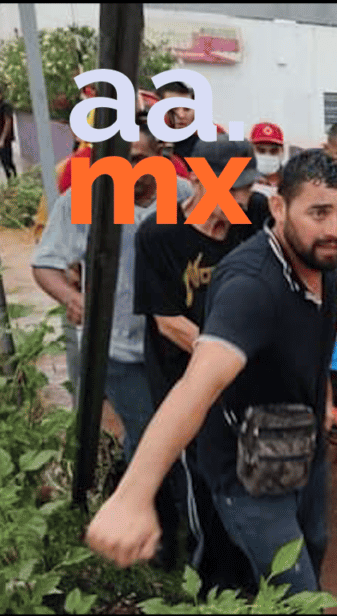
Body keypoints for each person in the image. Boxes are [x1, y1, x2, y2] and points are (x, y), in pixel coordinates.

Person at [85, 149, 337, 595]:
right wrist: (132, 496)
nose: (334, 229)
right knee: (290, 588)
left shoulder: (320, 258)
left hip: (302, 438)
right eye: (319, 212)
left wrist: (322, 395)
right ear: (280, 208)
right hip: (246, 459)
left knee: (315, 544)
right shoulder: (250, 283)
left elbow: (314, 340)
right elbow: (198, 382)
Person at [32, 113, 193, 465]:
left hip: (170, 343)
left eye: (137, 160)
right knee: (149, 432)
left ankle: (136, 493)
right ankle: (138, 506)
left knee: (177, 431)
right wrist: (71, 297)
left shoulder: (180, 194)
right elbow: (44, 263)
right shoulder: (85, 199)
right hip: (118, 347)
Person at [133, 136, 258, 580]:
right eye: (228, 190)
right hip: (185, 376)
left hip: (242, 374)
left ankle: (250, 566)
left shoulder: (255, 215)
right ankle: (209, 580)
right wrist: (229, 355)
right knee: (202, 476)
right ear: (194, 183)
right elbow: (168, 321)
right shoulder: (159, 233)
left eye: (244, 188)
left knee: (248, 467)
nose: (240, 199)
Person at [250, 121, 285, 194]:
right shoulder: (240, 181)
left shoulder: (291, 181)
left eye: (273, 151)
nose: (267, 156)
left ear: (282, 151)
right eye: (261, 151)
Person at [0, 83, 16, 180]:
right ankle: (11, 181)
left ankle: (14, 180)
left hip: (5, 140)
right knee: (4, 162)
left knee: (8, 162)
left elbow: (8, 122)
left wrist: (2, 139)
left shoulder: (5, 105)